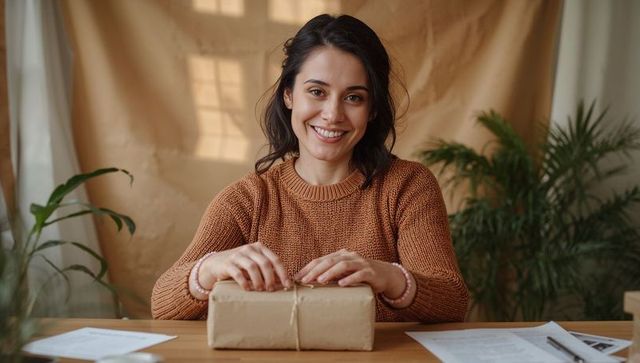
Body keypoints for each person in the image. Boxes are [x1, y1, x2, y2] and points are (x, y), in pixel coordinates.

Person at [151, 14, 468, 323]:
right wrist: (208, 270)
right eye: (317, 92)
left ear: (372, 110)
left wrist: (389, 277)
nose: (332, 114)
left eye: (354, 97)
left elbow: (452, 300)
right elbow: (161, 303)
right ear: (289, 94)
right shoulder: (246, 199)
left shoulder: (407, 186)